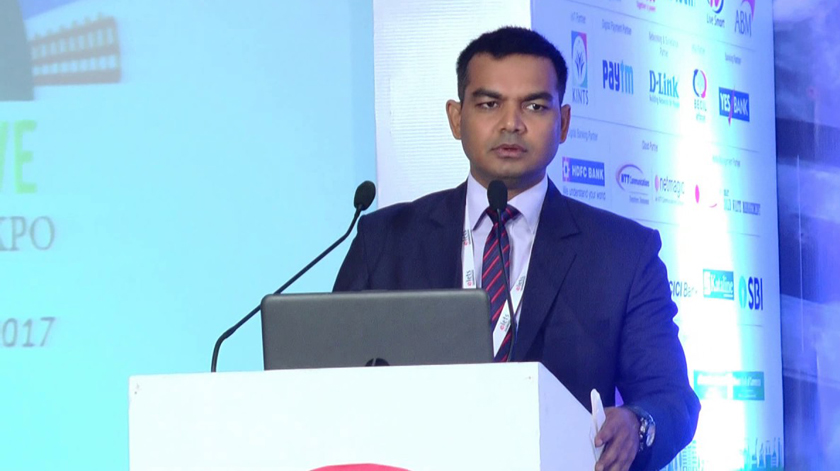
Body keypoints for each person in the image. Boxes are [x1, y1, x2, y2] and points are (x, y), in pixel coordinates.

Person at [334, 26, 699, 471]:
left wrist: (638, 424)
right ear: (456, 118)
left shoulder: (621, 253)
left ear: (564, 123)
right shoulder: (386, 239)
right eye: (489, 104)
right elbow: (329, 380)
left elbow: (672, 400)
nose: (511, 123)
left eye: (535, 106)